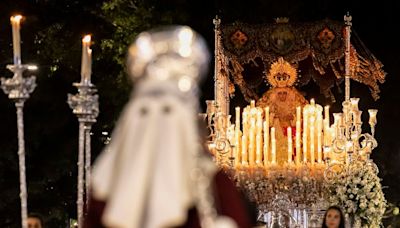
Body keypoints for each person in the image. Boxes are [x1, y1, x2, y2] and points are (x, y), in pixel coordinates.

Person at [84, 25, 252, 228]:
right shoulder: (106, 184)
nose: (159, 128)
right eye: (145, 112)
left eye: (168, 112)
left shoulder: (106, 187)